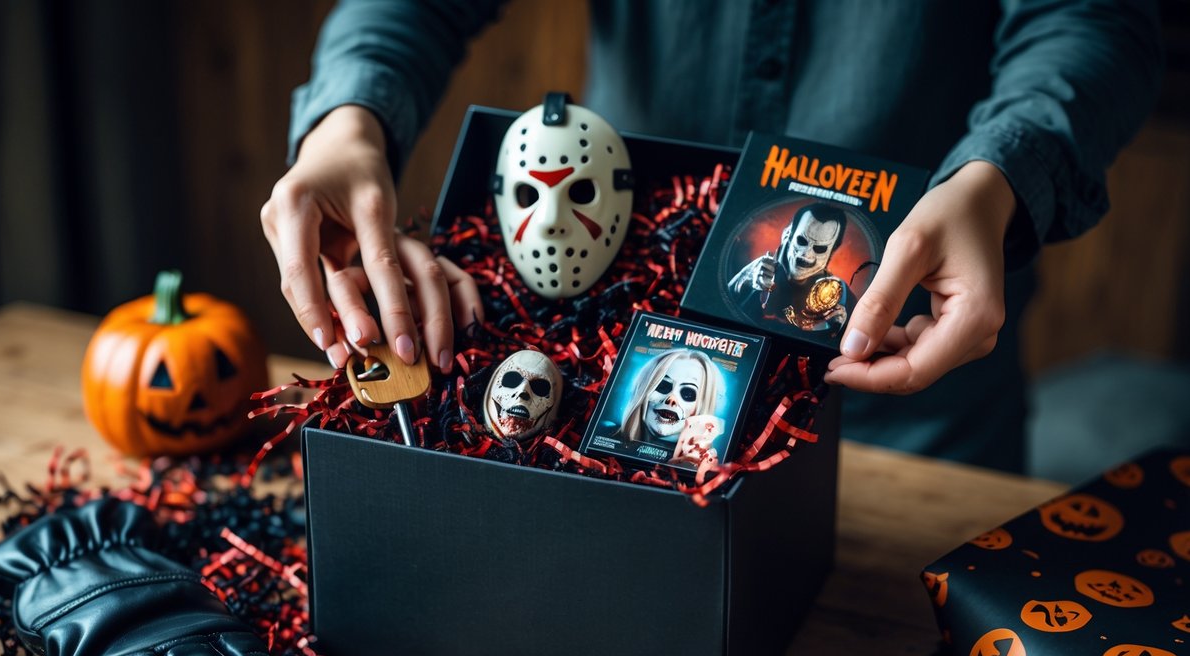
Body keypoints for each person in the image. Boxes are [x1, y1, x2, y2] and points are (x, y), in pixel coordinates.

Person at [261, 1, 1164, 473]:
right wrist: (347, 119)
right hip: (622, 343)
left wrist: (997, 175)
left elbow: (1092, 16)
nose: (805, 256)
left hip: (909, 363)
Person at [728, 202, 849, 332]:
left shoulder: (839, 295)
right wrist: (747, 283)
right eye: (802, 241)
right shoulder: (754, 272)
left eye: (819, 249)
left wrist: (838, 328)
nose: (806, 255)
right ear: (787, 234)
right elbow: (720, 306)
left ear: (832, 251)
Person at [618, 349, 722, 448]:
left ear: (703, 406)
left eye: (688, 393)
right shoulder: (607, 434)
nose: (671, 399)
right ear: (644, 389)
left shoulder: (704, 463)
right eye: (662, 386)